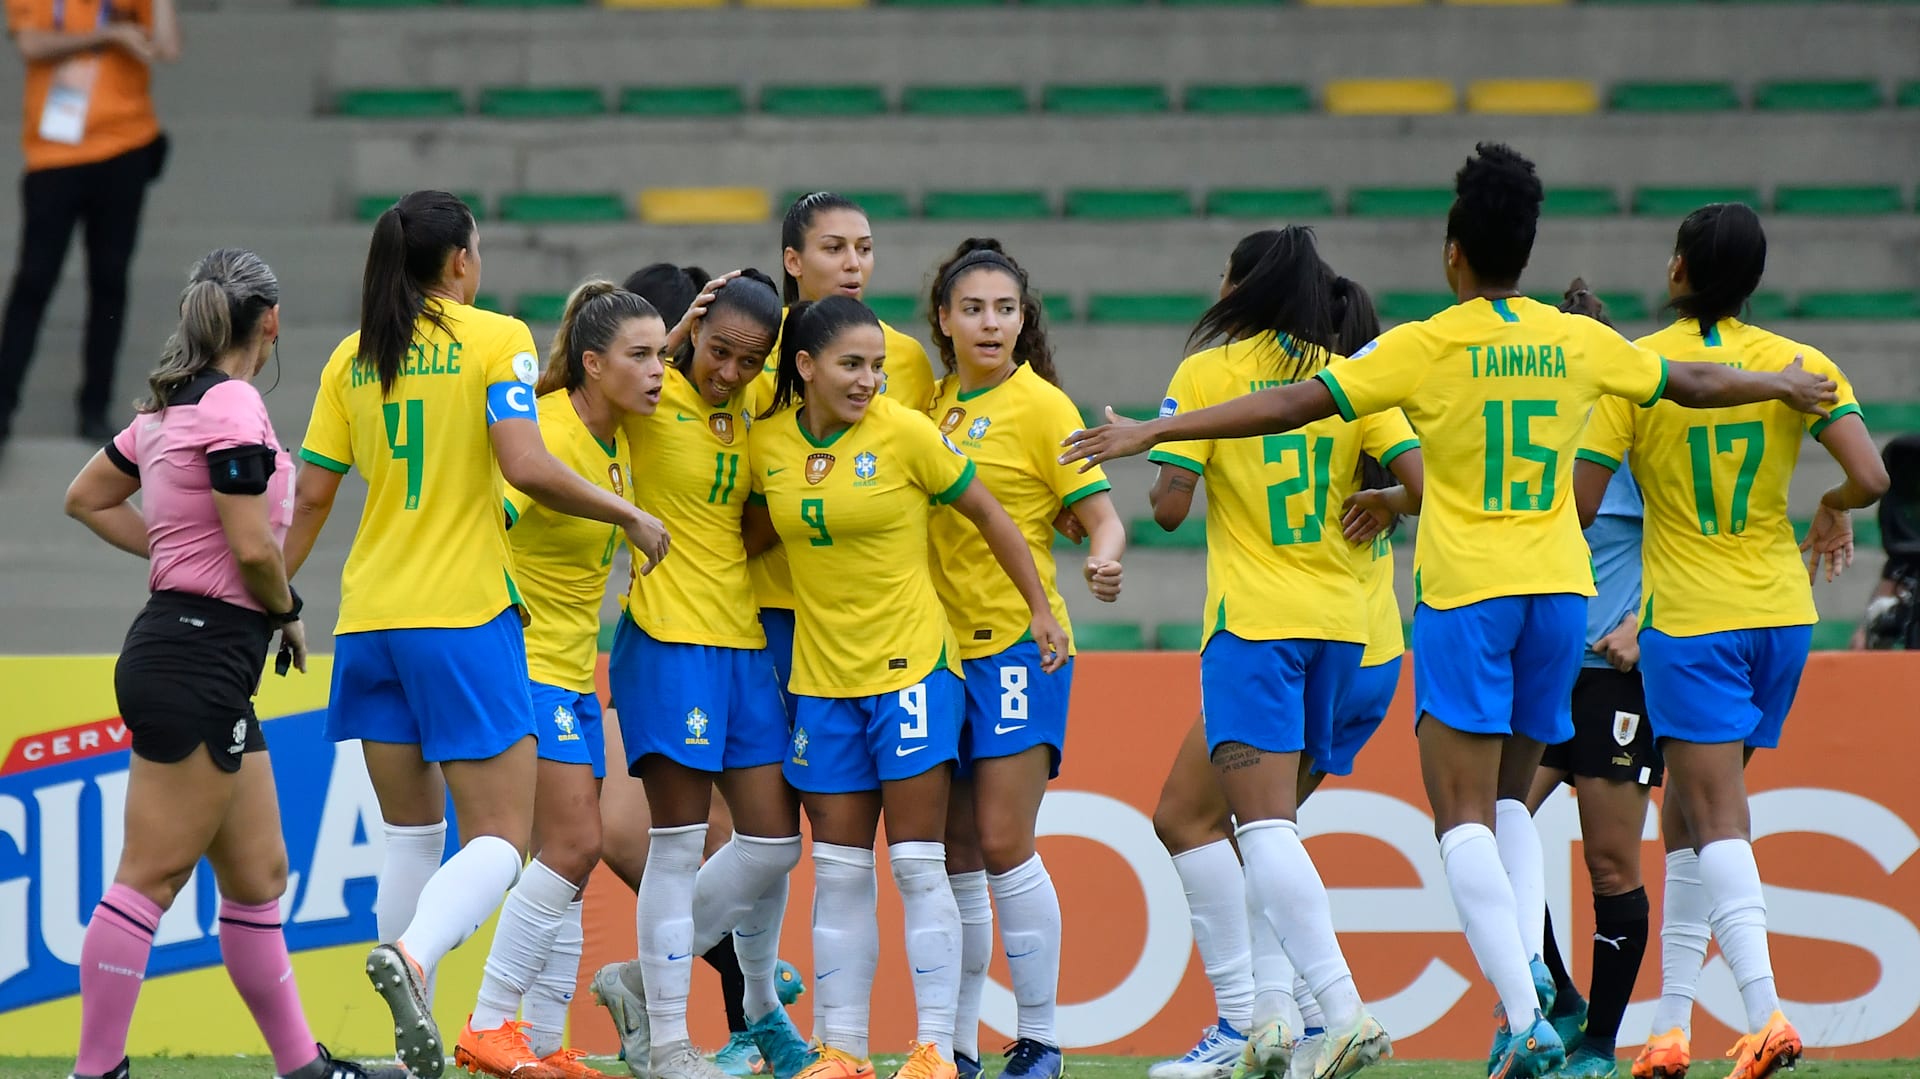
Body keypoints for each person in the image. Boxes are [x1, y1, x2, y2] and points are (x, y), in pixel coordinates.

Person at [1058, 144, 1839, 1079]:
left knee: (1457, 815)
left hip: (1466, 594)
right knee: (1513, 802)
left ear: (1453, 252)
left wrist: (1157, 429)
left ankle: (1519, 1012)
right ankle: (1520, 1007)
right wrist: (1782, 385)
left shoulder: (1423, 344)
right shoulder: (1578, 338)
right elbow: (1695, 383)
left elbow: (1292, 404)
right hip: (1560, 596)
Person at [282, 189, 670, 1079]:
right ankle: (415, 961)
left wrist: (274, 598)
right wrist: (629, 513)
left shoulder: (351, 356)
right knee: (502, 838)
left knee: (411, 837)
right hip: (461, 617)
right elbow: (526, 465)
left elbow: (309, 499)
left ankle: (409, 1048)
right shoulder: (496, 338)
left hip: (370, 618)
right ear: (460, 261)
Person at [60, 248, 402, 1079]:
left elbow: (87, 497)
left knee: (260, 873)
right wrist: (285, 611)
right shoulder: (236, 405)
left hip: (192, 653)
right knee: (150, 875)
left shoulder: (168, 410)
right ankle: (94, 1071)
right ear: (270, 322)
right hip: (199, 656)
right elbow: (253, 548)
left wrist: (179, 554)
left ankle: (301, 1067)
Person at [1571, 203, 1888, 1079]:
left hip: (1695, 619)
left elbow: (1585, 502)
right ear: (1752, 280)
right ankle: (1670, 1029)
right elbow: (1871, 476)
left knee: (1714, 819)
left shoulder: (1635, 371)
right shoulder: (1804, 365)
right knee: (1685, 820)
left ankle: (1765, 1011)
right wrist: (1829, 506)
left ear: (1678, 269)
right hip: (1782, 615)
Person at [751, 296, 1066, 1079]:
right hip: (820, 682)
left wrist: (1038, 609)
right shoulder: (768, 447)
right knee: (841, 871)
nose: (868, 381)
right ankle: (843, 1049)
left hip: (913, 673)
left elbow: (992, 516)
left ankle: (932, 1048)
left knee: (919, 864)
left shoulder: (908, 433)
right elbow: (741, 533)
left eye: (877, 367)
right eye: (851, 367)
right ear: (805, 368)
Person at [1137, 226, 1413, 1079]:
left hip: (1259, 625)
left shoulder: (1207, 375)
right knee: (1248, 829)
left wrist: (1168, 442)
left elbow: (1170, 507)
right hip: (1357, 633)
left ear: (1243, 286)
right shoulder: (1350, 367)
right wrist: (1387, 498)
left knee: (1233, 826)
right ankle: (1267, 1025)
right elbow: (1426, 478)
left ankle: (1338, 1009)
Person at [590, 263, 804, 1079]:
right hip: (667, 638)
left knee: (775, 841)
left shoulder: (752, 409)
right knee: (675, 849)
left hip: (743, 644)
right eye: (719, 352)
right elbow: (570, 408)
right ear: (694, 335)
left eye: (751, 360)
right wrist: (668, 349)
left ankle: (640, 983)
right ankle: (672, 1044)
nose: (730, 373)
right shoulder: (645, 396)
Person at [453, 280, 668, 1079]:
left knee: (565, 864)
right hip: (528, 668)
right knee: (576, 843)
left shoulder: (615, 440)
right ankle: (487, 1021)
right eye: (639, 356)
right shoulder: (540, 434)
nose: (656, 371)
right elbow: (490, 523)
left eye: (660, 354)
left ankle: (544, 1042)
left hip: (577, 670)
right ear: (590, 363)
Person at [924, 239, 1126, 1079]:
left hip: (1017, 644)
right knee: (956, 852)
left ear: (1022, 317)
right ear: (943, 319)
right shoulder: (926, 402)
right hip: (933, 654)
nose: (990, 322)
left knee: (1006, 839)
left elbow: (1103, 514)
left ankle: (1041, 1038)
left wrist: (1104, 554)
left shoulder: (1044, 406)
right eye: (973, 308)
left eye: (1004, 308)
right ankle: (964, 1047)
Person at [1519, 282, 1661, 1079]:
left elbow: (1683, 537)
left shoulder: (1634, 438)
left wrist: (1643, 624)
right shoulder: (1537, 435)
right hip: (1541, 670)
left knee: (1609, 863)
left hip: (1610, 677)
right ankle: (1563, 998)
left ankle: (1601, 1045)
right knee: (1489, 832)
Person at [0, 0, 176, 445]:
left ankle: (94, 407)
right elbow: (32, 44)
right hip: (55, 153)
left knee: (110, 280)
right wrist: (109, 35)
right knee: (34, 281)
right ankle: (3, 407)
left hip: (126, 145)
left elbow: (167, 46)